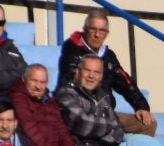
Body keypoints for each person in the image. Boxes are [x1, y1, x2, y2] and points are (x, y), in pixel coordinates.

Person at [54, 56, 149, 146]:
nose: (91, 76)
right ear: (78, 72)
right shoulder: (66, 93)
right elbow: (83, 125)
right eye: (87, 70)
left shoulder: (102, 96)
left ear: (101, 76)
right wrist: (108, 125)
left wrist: (99, 129)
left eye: (96, 72)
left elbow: (119, 132)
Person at [57, 8, 155, 136]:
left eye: (102, 30)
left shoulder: (108, 56)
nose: (97, 35)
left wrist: (141, 107)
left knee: (148, 123)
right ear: (85, 29)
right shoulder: (72, 51)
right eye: (93, 29)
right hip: (82, 112)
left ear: (107, 33)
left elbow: (125, 82)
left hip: (106, 113)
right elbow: (71, 84)